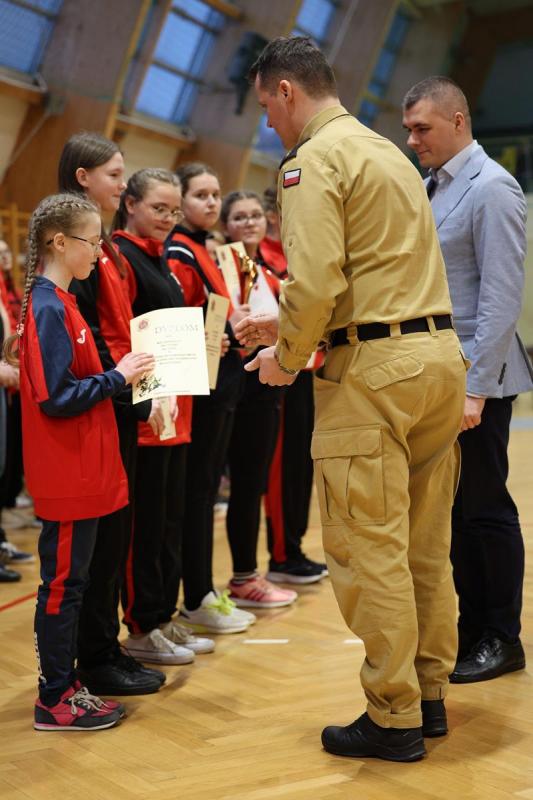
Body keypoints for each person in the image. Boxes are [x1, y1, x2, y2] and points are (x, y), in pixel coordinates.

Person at [241, 36, 467, 762]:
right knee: (423, 547)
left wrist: (285, 357)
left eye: (266, 107)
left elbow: (314, 281)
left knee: (370, 549)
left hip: (373, 374)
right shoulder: (387, 152)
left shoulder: (311, 160)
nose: (268, 123)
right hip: (435, 360)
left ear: (285, 90)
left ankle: (393, 716)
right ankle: (428, 695)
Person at [3, 192, 154, 730]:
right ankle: (53, 698)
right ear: (60, 242)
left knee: (75, 583)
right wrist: (119, 376)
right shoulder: (48, 307)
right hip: (68, 471)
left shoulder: (61, 303)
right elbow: (56, 397)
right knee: (63, 586)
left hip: (86, 466)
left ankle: (66, 686)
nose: (99, 251)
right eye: (93, 241)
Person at [402, 77, 533, 683]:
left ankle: (501, 637)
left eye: (422, 128)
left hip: (479, 379)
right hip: (440, 377)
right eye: (408, 129)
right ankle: (472, 628)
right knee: (454, 514)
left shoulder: (492, 187)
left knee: (484, 509)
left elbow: (502, 299)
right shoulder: (434, 185)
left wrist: (475, 388)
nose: (413, 139)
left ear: (458, 121)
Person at [58, 132, 166, 696]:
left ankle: (106, 647)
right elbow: (86, 334)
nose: (123, 186)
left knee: (116, 530)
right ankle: (94, 656)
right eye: (114, 175)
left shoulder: (105, 247)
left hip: (121, 396)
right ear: (83, 177)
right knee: (99, 540)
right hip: (102, 401)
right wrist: (123, 386)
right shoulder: (72, 244)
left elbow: (123, 326)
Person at [112, 168, 214, 663]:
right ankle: (141, 625)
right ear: (130, 203)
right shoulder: (121, 257)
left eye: (174, 210)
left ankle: (163, 617)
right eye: (159, 208)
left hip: (178, 411)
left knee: (170, 521)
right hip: (148, 416)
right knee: (146, 526)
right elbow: (122, 335)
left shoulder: (160, 258)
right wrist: (145, 401)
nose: (169, 218)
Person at [164, 163, 254, 634]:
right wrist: (212, 334)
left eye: (216, 194)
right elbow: (177, 320)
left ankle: (203, 590)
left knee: (203, 493)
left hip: (222, 382)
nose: (212, 202)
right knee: (196, 495)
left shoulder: (205, 248)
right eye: (201, 194)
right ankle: (196, 595)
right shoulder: (180, 251)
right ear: (179, 201)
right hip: (200, 387)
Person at [220, 190, 296, 609]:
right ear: (226, 226)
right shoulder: (223, 265)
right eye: (239, 217)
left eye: (254, 216)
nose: (249, 222)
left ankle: (248, 575)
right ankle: (240, 578)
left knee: (254, 483)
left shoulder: (264, 268)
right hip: (235, 383)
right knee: (241, 484)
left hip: (266, 383)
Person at [259, 190, 327, 585]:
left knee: (302, 464)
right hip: (279, 371)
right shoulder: (261, 259)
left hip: (310, 370)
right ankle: (283, 554)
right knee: (283, 466)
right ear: (274, 215)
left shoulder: (300, 256)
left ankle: (295, 547)